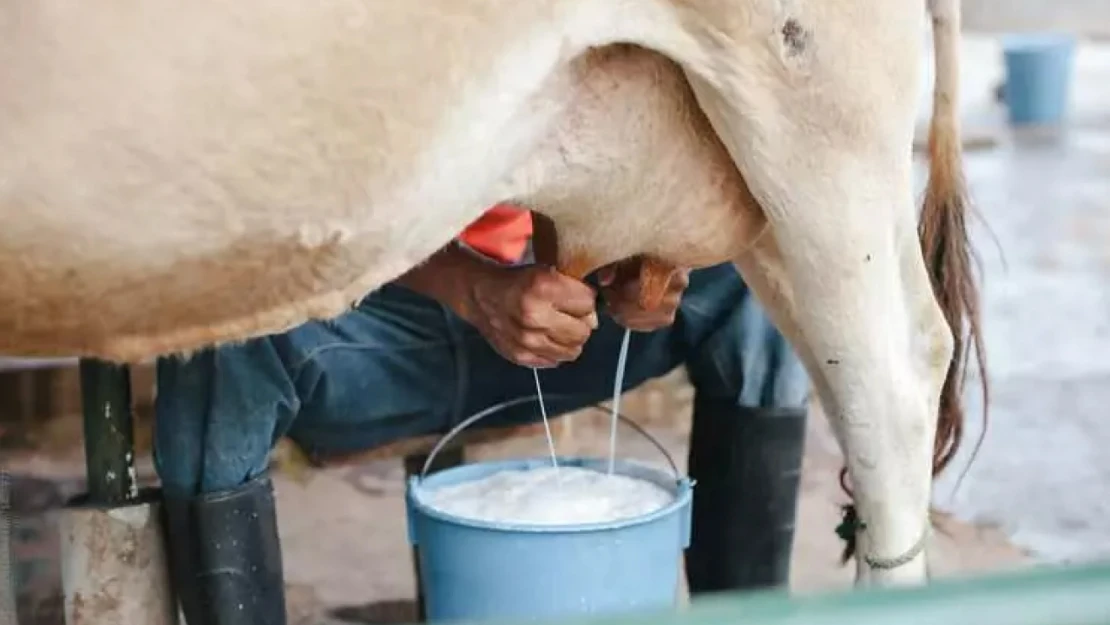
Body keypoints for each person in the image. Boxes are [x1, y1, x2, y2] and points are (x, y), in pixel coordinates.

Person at [155, 204, 810, 625]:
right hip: (365, 338)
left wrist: (654, 261)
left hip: (555, 323)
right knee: (215, 340)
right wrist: (467, 284)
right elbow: (282, 209)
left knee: (759, 291)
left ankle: (746, 615)